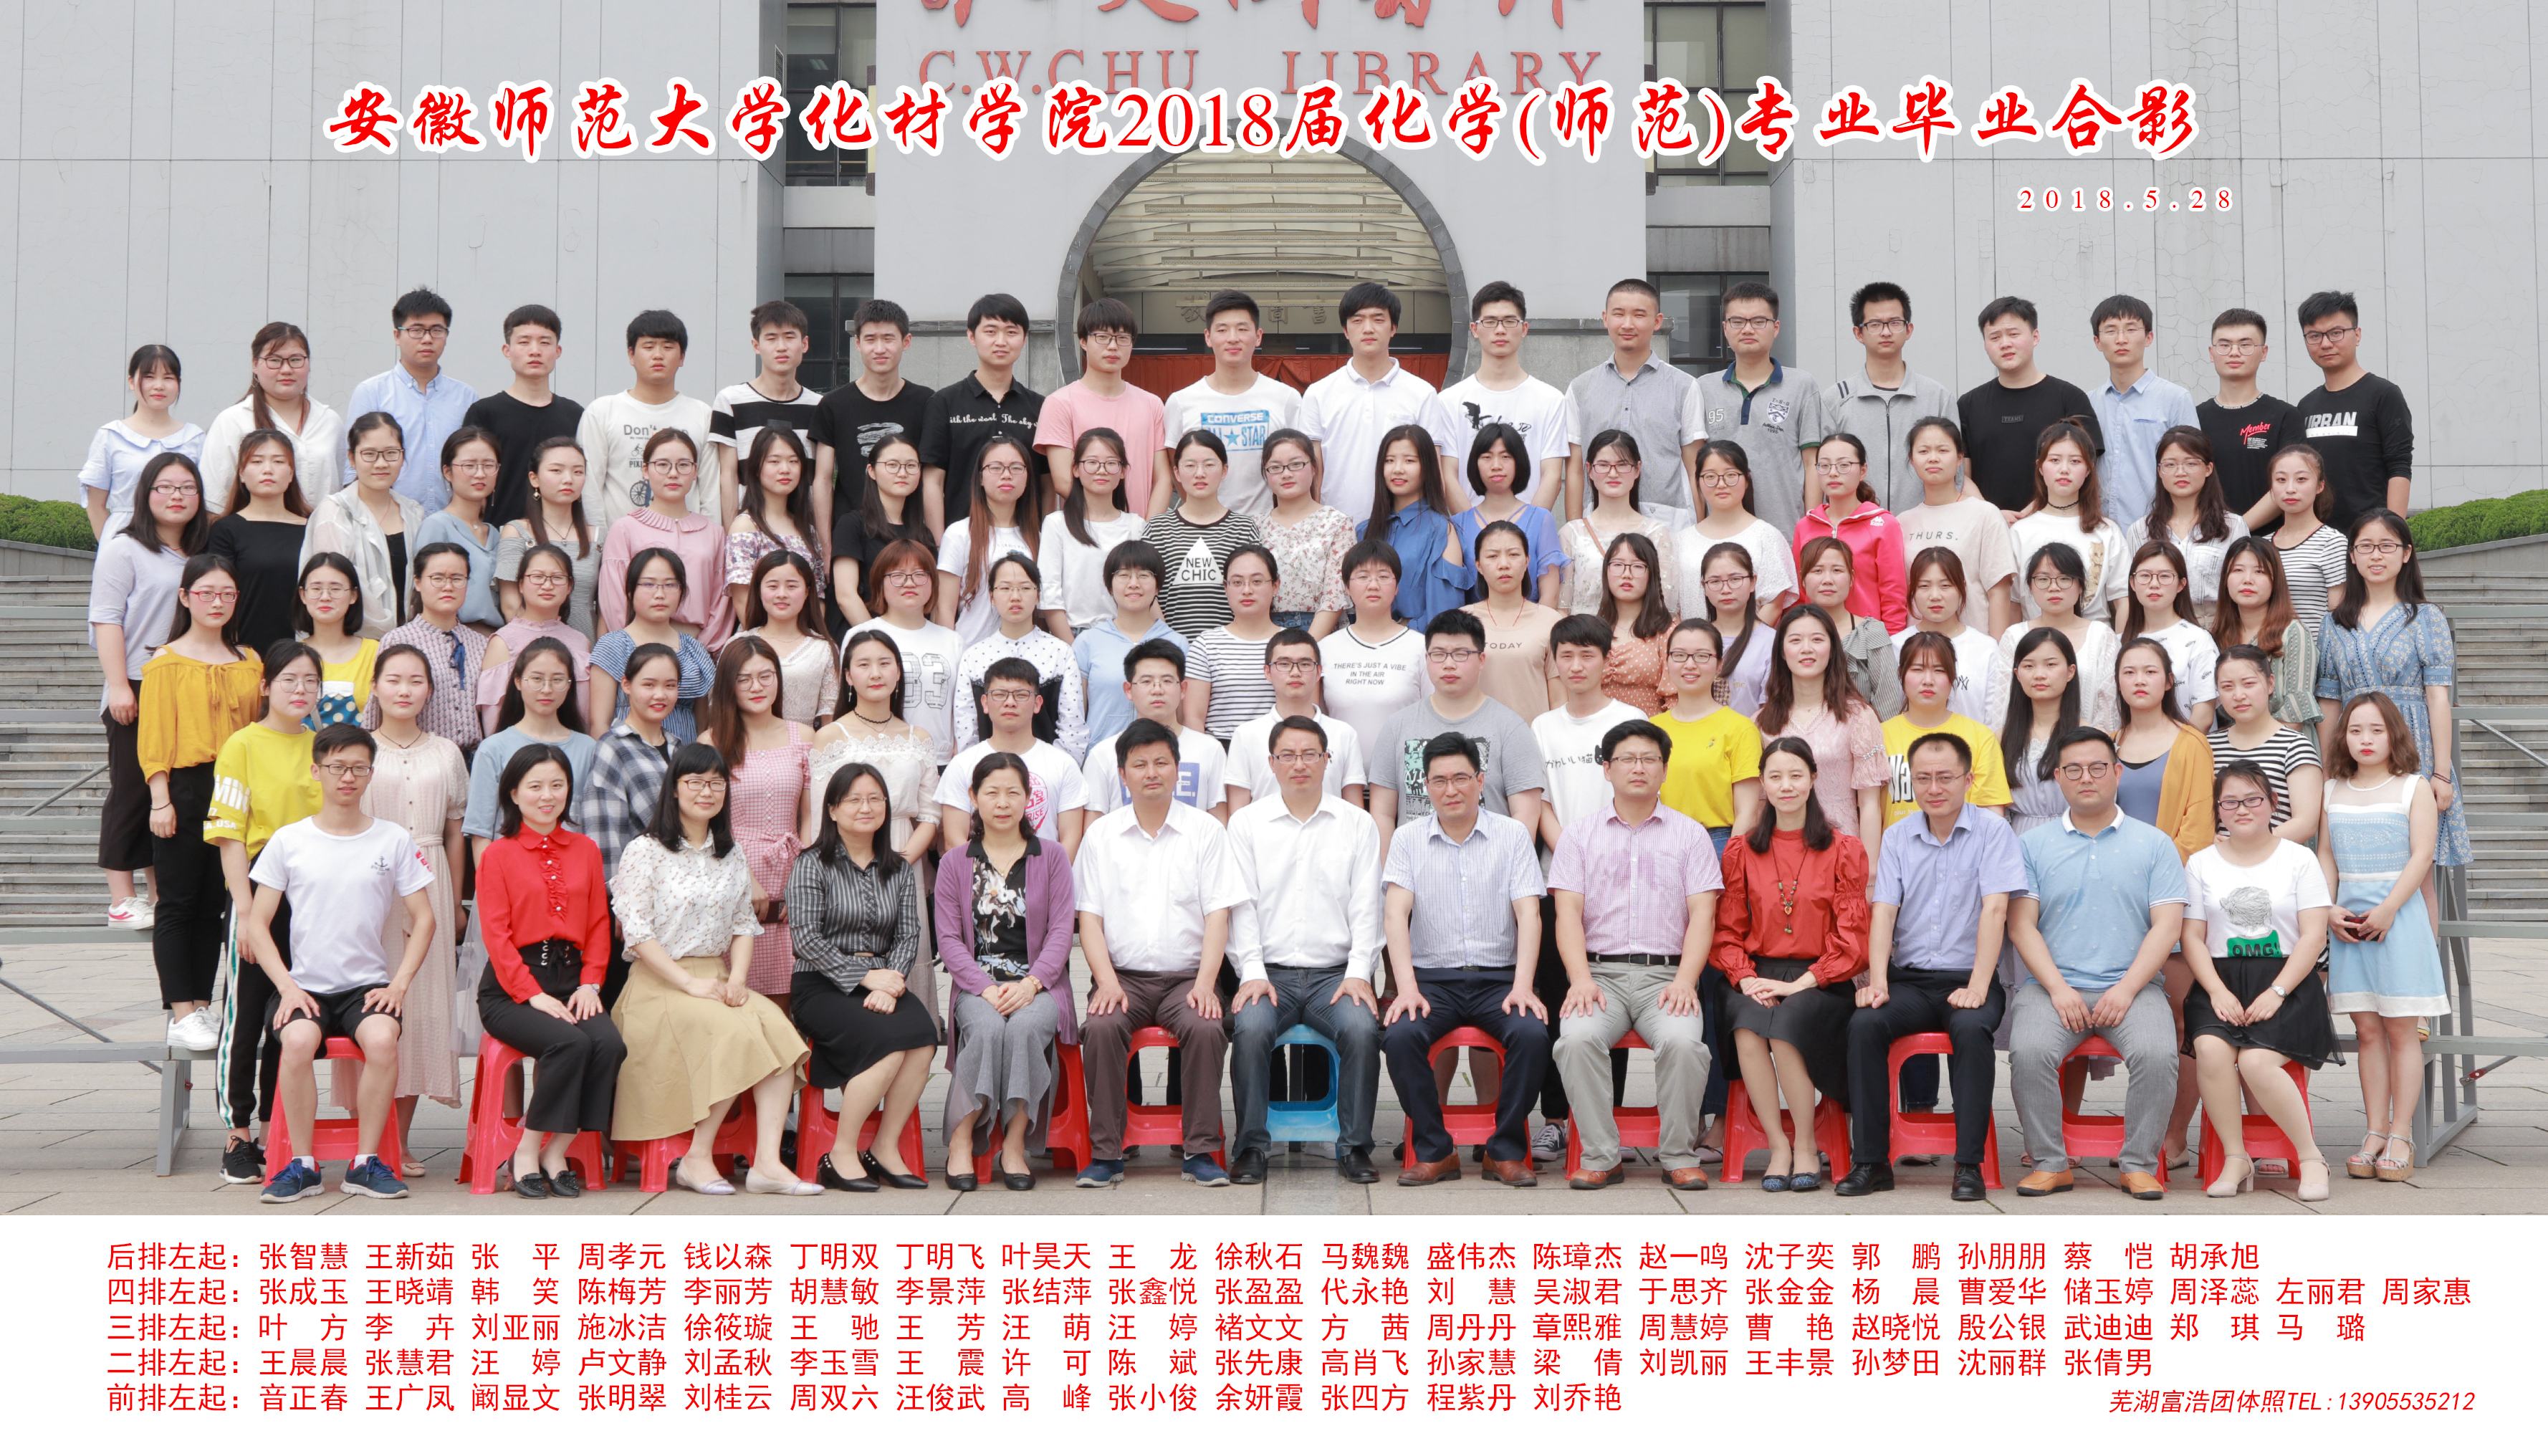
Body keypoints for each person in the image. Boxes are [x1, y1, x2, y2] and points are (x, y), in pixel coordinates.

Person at [609, 741, 818, 1197]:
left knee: (778, 1030)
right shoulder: (645, 851)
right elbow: (637, 932)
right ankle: (697, 1156)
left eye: (716, 783)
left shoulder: (730, 852)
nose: (707, 792)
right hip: (659, 985)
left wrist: (738, 979)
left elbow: (744, 923)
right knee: (732, 1032)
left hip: (717, 978)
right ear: (674, 788)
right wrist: (688, 983)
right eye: (695, 782)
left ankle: (767, 1164)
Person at [241, 722, 438, 1202]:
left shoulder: (392, 839)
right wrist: (287, 988)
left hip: (365, 987)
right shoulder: (289, 840)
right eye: (336, 767)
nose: (347, 777)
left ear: (371, 773)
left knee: (383, 1039)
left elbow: (425, 918)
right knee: (297, 1040)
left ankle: (366, 1163)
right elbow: (257, 924)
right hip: (304, 986)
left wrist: (399, 985)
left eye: (358, 768)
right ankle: (302, 1165)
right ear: (317, 771)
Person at [1839, 730, 2026, 1200]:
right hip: (1912, 981)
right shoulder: (1898, 836)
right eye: (1923, 778)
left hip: (1970, 977)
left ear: (1969, 779)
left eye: (1945, 777)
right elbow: (1884, 911)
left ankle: (1969, 1165)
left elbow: (1996, 911)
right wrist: (1878, 981)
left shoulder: (1994, 833)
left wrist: (1978, 987)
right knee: (1864, 1024)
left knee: (1970, 1029)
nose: (1934, 788)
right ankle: (1871, 1161)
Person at [2006, 727, 2188, 1199]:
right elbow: (2022, 926)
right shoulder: (2032, 845)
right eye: (2073, 770)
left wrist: (2126, 989)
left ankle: (2139, 1163)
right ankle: (2050, 1162)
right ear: (2058, 778)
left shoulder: (2154, 844)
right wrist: (2058, 989)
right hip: (2052, 988)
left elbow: (2167, 927)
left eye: (2097, 768)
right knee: (2028, 1051)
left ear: (2117, 773)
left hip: (2134, 988)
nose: (2086, 778)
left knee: (2158, 1054)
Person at [1073, 720, 1252, 1188]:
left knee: (1206, 1026)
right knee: (1101, 1026)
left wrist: (1206, 984)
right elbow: (1089, 918)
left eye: (1161, 763)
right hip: (1123, 977)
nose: (1151, 773)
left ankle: (1201, 1151)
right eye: (1140, 765)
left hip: (1187, 977)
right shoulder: (1102, 835)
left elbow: (1218, 915)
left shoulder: (1206, 831)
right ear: (1122, 774)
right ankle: (1107, 1153)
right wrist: (1106, 981)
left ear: (1177, 769)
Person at [1549, 720, 1723, 1189]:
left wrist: (1686, 981)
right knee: (1576, 1041)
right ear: (1607, 769)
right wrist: (1580, 979)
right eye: (1627, 759)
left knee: (1685, 1045)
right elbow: (1567, 914)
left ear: (1664, 769)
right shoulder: (1579, 836)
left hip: (1665, 979)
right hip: (1599, 976)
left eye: (1649, 759)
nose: (1639, 768)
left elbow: (1703, 915)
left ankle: (1678, 1155)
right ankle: (1602, 1156)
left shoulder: (1690, 835)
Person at [1381, 733, 1551, 1186]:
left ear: (1480, 780)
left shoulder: (1512, 835)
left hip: (1499, 981)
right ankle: (1436, 1151)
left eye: (1460, 778)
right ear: (1425, 786)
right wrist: (1406, 988)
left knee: (1532, 1034)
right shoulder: (1408, 838)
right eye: (1439, 781)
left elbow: (1529, 914)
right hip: (1432, 981)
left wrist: (1523, 986)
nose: (1450, 789)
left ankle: (1504, 1150)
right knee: (1400, 1036)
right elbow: (1395, 915)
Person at [1226, 716, 1387, 1184]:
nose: (1300, 764)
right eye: (1289, 755)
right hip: (1269, 973)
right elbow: (1242, 907)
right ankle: (1251, 1146)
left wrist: (1358, 973)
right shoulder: (1247, 824)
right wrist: (1252, 971)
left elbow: (1367, 907)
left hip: (1335, 976)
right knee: (1251, 1029)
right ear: (1271, 763)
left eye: (1310, 754)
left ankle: (1354, 1146)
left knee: (1361, 1029)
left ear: (1327, 760)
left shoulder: (1357, 824)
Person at [1710, 736, 1869, 1190]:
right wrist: (1745, 979)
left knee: (1784, 1028)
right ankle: (1778, 1145)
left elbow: (1852, 938)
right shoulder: (1741, 851)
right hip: (1757, 973)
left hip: (1821, 978)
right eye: (1775, 776)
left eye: (1796, 775)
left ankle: (1806, 1145)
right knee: (1747, 1026)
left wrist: (1802, 983)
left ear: (1813, 779)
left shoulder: (1843, 848)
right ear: (1762, 783)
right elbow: (1727, 932)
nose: (1786, 786)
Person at [2183, 761, 2337, 1202]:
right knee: (2211, 1050)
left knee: (2255, 1063)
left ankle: (2310, 1157)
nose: (2242, 809)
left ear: (2272, 803)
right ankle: (2236, 1157)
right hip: (2222, 980)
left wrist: (2278, 991)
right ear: (2219, 811)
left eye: (2252, 799)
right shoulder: (2201, 863)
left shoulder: (2299, 859)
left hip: (2288, 982)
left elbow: (2314, 936)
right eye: (2230, 802)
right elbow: (2192, 937)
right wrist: (2216, 991)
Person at [474, 744, 623, 1198]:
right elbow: (495, 935)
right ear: (513, 793)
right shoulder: (498, 854)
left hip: (573, 981)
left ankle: (558, 1149)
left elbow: (598, 923)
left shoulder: (585, 849)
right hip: (511, 989)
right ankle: (527, 1150)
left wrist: (592, 982)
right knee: (569, 1042)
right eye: (535, 786)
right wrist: (531, 993)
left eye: (557, 785)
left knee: (609, 1045)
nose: (547, 796)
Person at [928, 750, 1075, 1188]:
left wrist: (1032, 984)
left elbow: (1062, 931)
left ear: (1028, 798)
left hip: (1041, 985)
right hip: (978, 986)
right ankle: (961, 1139)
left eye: (1013, 792)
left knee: (1025, 1028)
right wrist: (985, 988)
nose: (1003, 802)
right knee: (989, 1029)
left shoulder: (1051, 857)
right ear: (974, 797)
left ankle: (1014, 1142)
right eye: (992, 792)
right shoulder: (955, 862)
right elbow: (949, 940)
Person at [2320, 691, 2451, 1182]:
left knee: (2401, 1031)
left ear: (2394, 734)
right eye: (2356, 730)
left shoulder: (2413, 787)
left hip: (2400, 920)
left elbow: (2422, 855)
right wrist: (2328, 907)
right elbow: (2326, 854)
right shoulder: (2332, 789)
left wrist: (2390, 908)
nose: (2366, 739)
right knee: (2368, 1031)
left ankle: (2401, 1134)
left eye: (2376, 730)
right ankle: (2373, 1131)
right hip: (2351, 926)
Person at [206, 644, 323, 1182]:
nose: (300, 690)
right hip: (257, 889)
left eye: (310, 681)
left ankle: (278, 1127)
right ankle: (238, 1133)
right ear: (266, 686)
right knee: (247, 1014)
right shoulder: (242, 745)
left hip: (313, 895)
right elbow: (229, 834)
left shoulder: (323, 746)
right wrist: (246, 911)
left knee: (290, 1013)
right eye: (289, 680)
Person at [134, 553, 257, 1050]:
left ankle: (203, 1005)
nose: (217, 602)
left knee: (214, 904)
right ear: (185, 597)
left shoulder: (249, 661)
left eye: (227, 593)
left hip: (236, 788)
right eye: (207, 593)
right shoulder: (165, 663)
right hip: (185, 786)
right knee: (178, 902)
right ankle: (181, 1009)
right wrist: (160, 798)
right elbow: (154, 735)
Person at [2316, 509, 2466, 909]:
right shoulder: (2334, 623)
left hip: (2413, 749)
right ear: (2352, 556)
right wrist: (2329, 771)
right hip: (2355, 754)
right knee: (2352, 863)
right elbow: (2329, 701)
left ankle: (2422, 953)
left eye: (2387, 545)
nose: (2376, 555)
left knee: (2419, 874)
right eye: (2365, 546)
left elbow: (2438, 697)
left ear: (2406, 554)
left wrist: (2440, 772)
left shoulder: (2426, 617)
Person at [92, 454, 208, 931]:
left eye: (187, 487)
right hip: (137, 682)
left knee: (172, 792)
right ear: (146, 494)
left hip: (186, 684)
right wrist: (120, 684)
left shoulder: (201, 550)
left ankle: (160, 895)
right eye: (165, 487)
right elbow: (106, 617)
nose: (176, 496)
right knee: (133, 788)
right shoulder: (124, 547)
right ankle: (122, 897)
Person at [360, 645, 469, 1156]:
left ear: (429, 690)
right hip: (370, 886)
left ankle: (399, 1142)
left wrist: (457, 899)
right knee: (370, 1002)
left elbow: (455, 833)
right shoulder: (358, 747)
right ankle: (372, 1136)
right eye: (394, 679)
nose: (404, 690)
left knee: (422, 1009)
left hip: (432, 881)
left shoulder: (447, 753)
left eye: (416, 681)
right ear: (375, 687)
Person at [1369, 610, 1548, 859]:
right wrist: (1390, 874)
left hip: (1489, 872)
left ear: (1482, 659)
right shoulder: (1396, 727)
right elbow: (1382, 814)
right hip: (1416, 872)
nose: (1449, 664)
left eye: (1461, 654)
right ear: (1427, 659)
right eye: (1439, 654)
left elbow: (1525, 816)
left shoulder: (1511, 728)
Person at [810, 631, 942, 944]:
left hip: (903, 855)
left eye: (884, 663)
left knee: (904, 952)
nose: (876, 673)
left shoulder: (919, 738)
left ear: (898, 672)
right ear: (848, 676)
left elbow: (931, 815)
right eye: (864, 665)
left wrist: (900, 862)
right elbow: (819, 815)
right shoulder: (830, 736)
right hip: (843, 863)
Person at [1301, 282, 1459, 526]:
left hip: (1402, 527)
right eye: (1358, 320)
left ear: (1393, 327)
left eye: (1378, 319)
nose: (1368, 328)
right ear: (1345, 330)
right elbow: (1314, 470)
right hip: (1336, 527)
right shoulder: (1318, 393)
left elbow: (1433, 468)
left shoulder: (1422, 393)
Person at [1565, 279, 1705, 523]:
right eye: (1619, 314)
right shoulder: (1580, 388)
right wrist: (1575, 531)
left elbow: (1696, 468)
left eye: (1639, 315)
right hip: (1598, 523)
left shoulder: (1684, 387)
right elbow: (1575, 471)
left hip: (1669, 523)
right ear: (1605, 318)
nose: (1628, 324)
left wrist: (1700, 534)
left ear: (1657, 321)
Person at [1695, 282, 1826, 540]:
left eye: (1758, 321)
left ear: (1775, 327)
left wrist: (1811, 530)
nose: (1747, 329)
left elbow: (1812, 464)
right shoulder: (1703, 388)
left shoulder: (1802, 385)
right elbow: (1695, 467)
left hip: (1785, 532)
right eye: (1737, 322)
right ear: (1725, 328)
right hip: (1719, 537)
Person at [1755, 605, 1886, 858]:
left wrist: (1869, 869)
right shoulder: (1761, 723)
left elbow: (1869, 803)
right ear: (1782, 651)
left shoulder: (1858, 716)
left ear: (1833, 648)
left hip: (1842, 853)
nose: (1807, 649)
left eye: (1817, 640)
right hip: (1782, 857)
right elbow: (1760, 805)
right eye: (1795, 640)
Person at [1161, 289, 1303, 517]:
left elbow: (1300, 465)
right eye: (1222, 330)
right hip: (1206, 529)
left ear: (1258, 336)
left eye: (1242, 329)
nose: (1233, 338)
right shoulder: (1181, 402)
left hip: (1270, 527)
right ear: (1208, 337)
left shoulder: (1286, 399)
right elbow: (1175, 469)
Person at [575, 309, 719, 532]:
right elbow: (590, 488)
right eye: (649, 346)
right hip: (621, 544)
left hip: (686, 542)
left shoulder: (702, 414)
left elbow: (711, 492)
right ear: (631, 355)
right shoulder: (602, 412)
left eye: (668, 347)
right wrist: (601, 543)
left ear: (682, 357)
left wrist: (707, 539)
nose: (658, 355)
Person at [1955, 298, 2103, 514]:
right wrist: (1991, 515)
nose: (2005, 343)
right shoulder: (1968, 405)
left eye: (2013, 334)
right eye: (1995, 337)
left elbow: (2086, 463)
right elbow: (1961, 474)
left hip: (2055, 521)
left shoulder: (2070, 399)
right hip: (1987, 525)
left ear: (2035, 337)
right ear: (1985, 344)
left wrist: (2037, 511)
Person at [1821, 282, 1955, 514]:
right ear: (1858, 333)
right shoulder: (1835, 399)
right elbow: (1823, 472)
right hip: (1855, 527)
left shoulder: (1938, 397)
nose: (1886, 332)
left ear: (1909, 330)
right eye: (1875, 324)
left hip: (1926, 526)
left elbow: (1956, 473)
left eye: (1895, 323)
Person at [342, 287, 477, 512]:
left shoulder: (466, 396)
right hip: (388, 519)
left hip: (449, 520)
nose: (427, 339)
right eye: (416, 330)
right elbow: (353, 468)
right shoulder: (372, 392)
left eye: (437, 330)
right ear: (397, 335)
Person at [920, 294, 1045, 534]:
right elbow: (933, 481)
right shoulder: (944, 403)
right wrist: (940, 544)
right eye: (990, 331)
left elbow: (1046, 483)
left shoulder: (1040, 407)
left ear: (1024, 338)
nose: (1001, 341)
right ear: (971, 336)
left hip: (1025, 539)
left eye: (1011, 332)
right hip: (962, 538)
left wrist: (1044, 540)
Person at [1439, 282, 1574, 504]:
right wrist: (1470, 523)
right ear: (1474, 329)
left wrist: (1528, 523)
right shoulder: (1448, 401)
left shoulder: (1551, 400)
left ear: (1524, 329)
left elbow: (1552, 476)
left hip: (1529, 523)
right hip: (1467, 524)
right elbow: (1447, 475)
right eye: (1490, 321)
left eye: (1510, 321)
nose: (1500, 330)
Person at [937, 656, 1089, 851]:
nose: (1010, 702)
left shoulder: (1063, 764)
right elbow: (954, 841)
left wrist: (1047, 871)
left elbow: (1071, 839)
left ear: (1037, 703)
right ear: (985, 703)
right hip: (979, 871)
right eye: (1000, 694)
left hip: (1047, 870)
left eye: (1021, 695)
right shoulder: (962, 764)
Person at [813, 299, 932, 545]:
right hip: (850, 536)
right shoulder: (834, 404)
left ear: (906, 342)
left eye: (888, 339)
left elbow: (932, 478)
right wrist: (826, 546)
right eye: (870, 339)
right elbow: (823, 480)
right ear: (857, 343)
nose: (879, 349)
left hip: (910, 537)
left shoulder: (927, 402)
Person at [1035, 298, 1167, 519]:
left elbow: (1162, 478)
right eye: (1102, 337)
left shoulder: (1152, 404)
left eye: (1122, 338)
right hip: (1083, 530)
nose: (1113, 346)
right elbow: (1063, 480)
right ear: (1083, 341)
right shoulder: (1060, 403)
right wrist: (1110, 523)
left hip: (1141, 533)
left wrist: (1147, 529)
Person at [598, 428, 731, 647]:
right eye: (662, 465)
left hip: (697, 649)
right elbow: (614, 602)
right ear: (645, 470)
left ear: (695, 471)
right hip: (638, 649)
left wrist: (701, 651)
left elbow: (721, 602)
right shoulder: (625, 529)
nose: (673, 474)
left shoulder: (714, 533)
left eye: (683, 465)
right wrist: (634, 649)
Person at [2294, 290, 2414, 532]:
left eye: (2336, 333)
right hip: (2319, 538)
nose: (2326, 344)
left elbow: (2399, 466)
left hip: (2368, 538)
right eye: (2314, 336)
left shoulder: (2384, 395)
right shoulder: (2306, 406)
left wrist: (2391, 534)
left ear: (2357, 335)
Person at [464, 636, 595, 856]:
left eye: (557, 680)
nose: (547, 689)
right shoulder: (493, 749)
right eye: (536, 679)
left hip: (570, 873)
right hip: (509, 873)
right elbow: (480, 833)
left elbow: (594, 828)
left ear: (570, 684)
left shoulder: (589, 749)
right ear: (518, 681)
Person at [575, 641, 686, 895]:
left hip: (684, 889)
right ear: (626, 685)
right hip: (640, 893)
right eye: (649, 685)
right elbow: (604, 832)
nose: (660, 695)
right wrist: (619, 898)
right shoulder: (613, 748)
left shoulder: (679, 749)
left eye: (670, 686)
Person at [201, 322, 345, 515]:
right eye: (274, 360)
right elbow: (214, 501)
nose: (286, 369)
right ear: (255, 364)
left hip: (320, 531)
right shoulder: (232, 421)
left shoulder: (330, 421)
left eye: (296, 360)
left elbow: (338, 491)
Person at [460, 304, 584, 530]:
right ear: (507, 350)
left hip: (561, 535)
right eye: (524, 342)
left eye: (545, 342)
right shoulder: (485, 412)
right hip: (497, 531)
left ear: (558, 351)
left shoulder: (575, 414)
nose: (535, 351)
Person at [303, 412, 425, 638]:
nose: (381, 463)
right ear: (352, 458)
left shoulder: (414, 513)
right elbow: (333, 585)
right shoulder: (335, 513)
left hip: (412, 641)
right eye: (369, 454)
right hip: (352, 642)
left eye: (391, 453)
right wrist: (388, 636)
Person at [953, 554, 1086, 760]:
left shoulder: (1060, 653)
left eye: (1025, 588)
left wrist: (1051, 771)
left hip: (1049, 770)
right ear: (992, 596)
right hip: (989, 772)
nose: (1015, 597)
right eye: (1005, 588)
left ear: (1038, 595)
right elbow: (967, 730)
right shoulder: (974, 657)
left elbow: (1073, 728)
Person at [2083, 294, 2200, 524]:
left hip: (2159, 529)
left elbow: (2193, 468)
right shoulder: (2088, 403)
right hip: (2100, 531)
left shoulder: (2175, 398)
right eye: (2111, 330)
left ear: (2149, 337)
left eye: (2131, 329)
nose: (2121, 339)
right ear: (2097, 341)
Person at [1897, 418, 2018, 637]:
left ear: (1960, 458)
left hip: (1973, 645)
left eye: (1943, 450)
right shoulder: (1902, 522)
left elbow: (1999, 591)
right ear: (1912, 460)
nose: (1933, 458)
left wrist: (1995, 649)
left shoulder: (1985, 514)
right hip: (1919, 648)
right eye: (1923, 451)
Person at [1881, 632, 2014, 828]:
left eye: (1939, 670)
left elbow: (1992, 814)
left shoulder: (1980, 737)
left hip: (1966, 846)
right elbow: (1870, 810)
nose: (1928, 680)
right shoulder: (1879, 736)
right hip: (1898, 846)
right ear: (1901, 674)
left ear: (1953, 676)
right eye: (1918, 669)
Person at [1082, 639, 1229, 817]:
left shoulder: (1210, 750)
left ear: (1183, 689)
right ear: (1128, 690)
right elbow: (1094, 825)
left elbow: (1219, 821)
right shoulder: (1103, 755)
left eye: (1167, 681)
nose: (1157, 690)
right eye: (1146, 681)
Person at [1225, 631, 1368, 812]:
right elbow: (1238, 813)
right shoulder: (1246, 735)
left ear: (1319, 672)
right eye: (1284, 664)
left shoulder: (1344, 734)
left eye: (1305, 664)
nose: (1295, 672)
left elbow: (1355, 811)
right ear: (1267, 672)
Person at [707, 300, 823, 525]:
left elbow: (820, 479)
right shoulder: (730, 401)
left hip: (803, 530)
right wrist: (733, 534)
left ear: (805, 344)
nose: (781, 347)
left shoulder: (820, 406)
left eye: (789, 337)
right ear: (756, 345)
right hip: (748, 528)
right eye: (771, 338)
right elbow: (728, 476)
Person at [1652, 619, 1764, 851]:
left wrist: (1731, 860)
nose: (1690, 665)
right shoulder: (1652, 729)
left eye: (1702, 656)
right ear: (1667, 662)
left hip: (1716, 842)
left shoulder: (1740, 728)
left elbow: (1747, 812)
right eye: (1679, 655)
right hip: (1658, 841)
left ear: (1719, 665)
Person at [377, 542, 491, 760]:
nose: (448, 586)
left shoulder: (481, 643)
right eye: (437, 578)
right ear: (418, 582)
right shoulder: (397, 640)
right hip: (417, 758)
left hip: (474, 760)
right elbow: (379, 710)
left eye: (457, 578)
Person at [1071, 540, 1187, 752]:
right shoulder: (1088, 642)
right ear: (1109, 585)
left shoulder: (1178, 643)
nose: (1134, 584)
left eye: (1144, 575)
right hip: (1103, 757)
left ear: (1158, 585)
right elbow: (1075, 716)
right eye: (1123, 575)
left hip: (1161, 759)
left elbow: (1183, 716)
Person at [2007, 419, 2129, 622]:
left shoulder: (2107, 531)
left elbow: (2124, 600)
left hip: (2095, 638)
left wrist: (2118, 640)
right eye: (2055, 460)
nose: (2064, 469)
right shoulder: (2020, 532)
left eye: (2075, 461)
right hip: (2036, 639)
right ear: (2040, 467)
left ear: (2089, 469)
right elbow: (2013, 602)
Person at [589, 547, 717, 739]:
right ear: (630, 591)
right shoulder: (613, 645)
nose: (660, 594)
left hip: (686, 753)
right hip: (628, 752)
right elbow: (599, 724)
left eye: (670, 585)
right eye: (649, 584)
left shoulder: (694, 649)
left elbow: (703, 725)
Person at [204, 428, 312, 655]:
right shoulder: (226, 530)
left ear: (291, 473)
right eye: (257, 461)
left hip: (303, 653)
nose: (268, 469)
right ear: (242, 474)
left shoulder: (312, 527)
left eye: (278, 461)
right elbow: (218, 594)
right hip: (244, 651)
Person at [82, 343, 205, 540]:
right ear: (131, 381)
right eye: (149, 377)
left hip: (180, 544)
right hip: (125, 540)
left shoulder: (194, 438)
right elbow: (95, 505)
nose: (159, 386)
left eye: (168, 378)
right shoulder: (111, 436)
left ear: (178, 383)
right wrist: (110, 546)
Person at [2113, 636, 2219, 859]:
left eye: (2150, 672)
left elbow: (2198, 831)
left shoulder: (2192, 744)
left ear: (2169, 682)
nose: (2139, 681)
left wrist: (2157, 869)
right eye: (2129, 673)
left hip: (2169, 871)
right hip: (2113, 869)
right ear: (2118, 682)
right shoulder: (2107, 744)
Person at [1322, 540, 1427, 763]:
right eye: (1363, 577)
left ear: (1397, 587)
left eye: (1383, 576)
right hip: (1341, 775)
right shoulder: (1326, 649)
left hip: (1403, 776)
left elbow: (1433, 719)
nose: (1373, 585)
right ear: (1346, 587)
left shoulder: (1421, 647)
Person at [2130, 427, 2248, 623]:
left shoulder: (2233, 526)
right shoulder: (2140, 530)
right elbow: (2133, 595)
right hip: (2158, 629)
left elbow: (2243, 585)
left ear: (2208, 469)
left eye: (2191, 463)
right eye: (2170, 465)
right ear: (2159, 471)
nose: (2180, 472)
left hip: (2218, 628)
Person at [2208, 644, 2324, 843]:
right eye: (2227, 687)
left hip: (2276, 858)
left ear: (2270, 684)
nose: (2238, 695)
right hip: (2218, 858)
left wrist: (2243, 846)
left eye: (2248, 684)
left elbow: (2306, 823)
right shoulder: (2208, 746)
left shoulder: (2295, 746)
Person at [1361, 424, 1474, 632]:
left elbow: (1444, 613)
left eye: (1409, 461)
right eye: (1389, 460)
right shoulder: (1364, 531)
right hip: (1365, 641)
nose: (1397, 469)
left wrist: (1396, 631)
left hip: (1419, 643)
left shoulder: (1442, 530)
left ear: (1427, 467)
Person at [936, 434, 1043, 649]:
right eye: (996, 468)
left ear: (1027, 477)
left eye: (1016, 468)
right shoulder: (959, 534)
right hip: (970, 652)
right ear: (980, 478)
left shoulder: (1037, 536)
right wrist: (950, 656)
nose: (1007, 475)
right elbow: (944, 609)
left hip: (1027, 655)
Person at [1036, 428, 1146, 638]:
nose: (1101, 470)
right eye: (1092, 462)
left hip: (1127, 636)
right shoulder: (1057, 524)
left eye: (1111, 463)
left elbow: (1146, 591)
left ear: (1123, 471)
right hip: (1074, 634)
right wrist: (1072, 648)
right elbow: (1050, 595)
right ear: (1076, 469)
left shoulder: (1136, 526)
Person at [2197, 308, 2302, 526]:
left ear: (2264, 352)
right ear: (2211, 352)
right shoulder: (2195, 417)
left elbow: (2288, 484)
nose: (2234, 353)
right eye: (2224, 345)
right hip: (2207, 537)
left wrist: (2239, 529)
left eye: (2245, 345)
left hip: (2270, 540)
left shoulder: (2286, 416)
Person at [2001, 543, 2121, 732]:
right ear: (2030, 587)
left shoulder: (2102, 637)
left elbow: (2109, 711)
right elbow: (2001, 708)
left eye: (2064, 579)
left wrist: (2092, 743)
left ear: (2081, 586)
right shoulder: (2014, 637)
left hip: (2087, 744)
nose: (2054, 587)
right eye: (2043, 579)